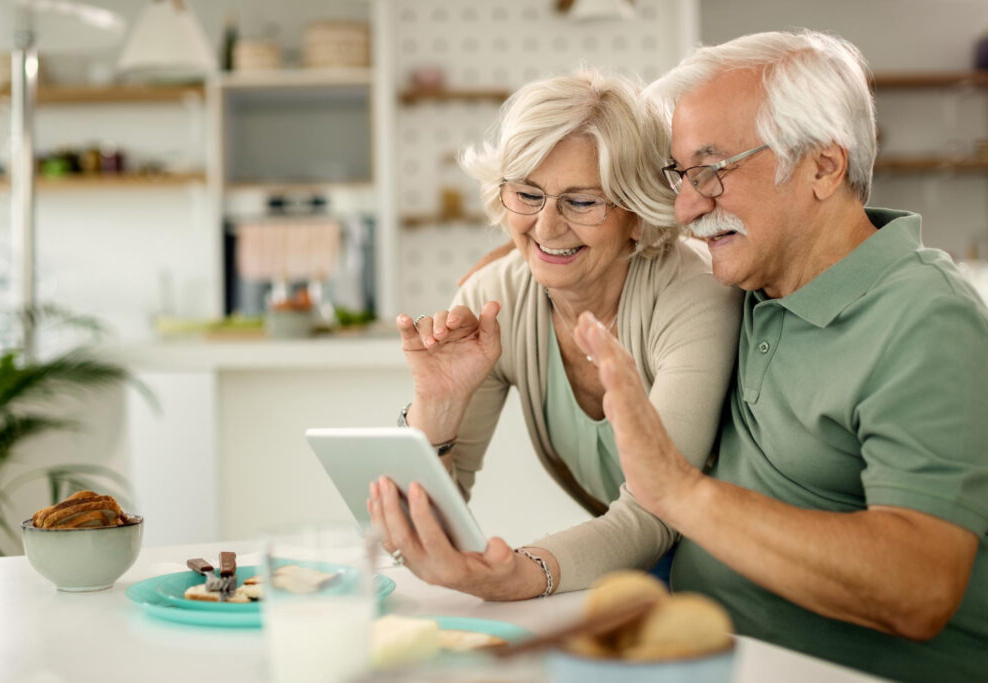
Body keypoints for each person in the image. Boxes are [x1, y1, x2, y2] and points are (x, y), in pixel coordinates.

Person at [569, 30, 988, 682]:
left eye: (711, 172)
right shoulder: (743, 287)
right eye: (680, 175)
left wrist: (681, 493)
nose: (686, 207)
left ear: (823, 166)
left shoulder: (928, 321)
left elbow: (920, 588)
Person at [367, 68, 742, 600]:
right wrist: (437, 407)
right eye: (528, 194)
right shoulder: (493, 296)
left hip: (736, 572)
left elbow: (658, 512)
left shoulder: (693, 294)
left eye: (582, 201)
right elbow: (414, 536)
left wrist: (525, 573)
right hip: (627, 569)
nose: (546, 228)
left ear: (636, 212)